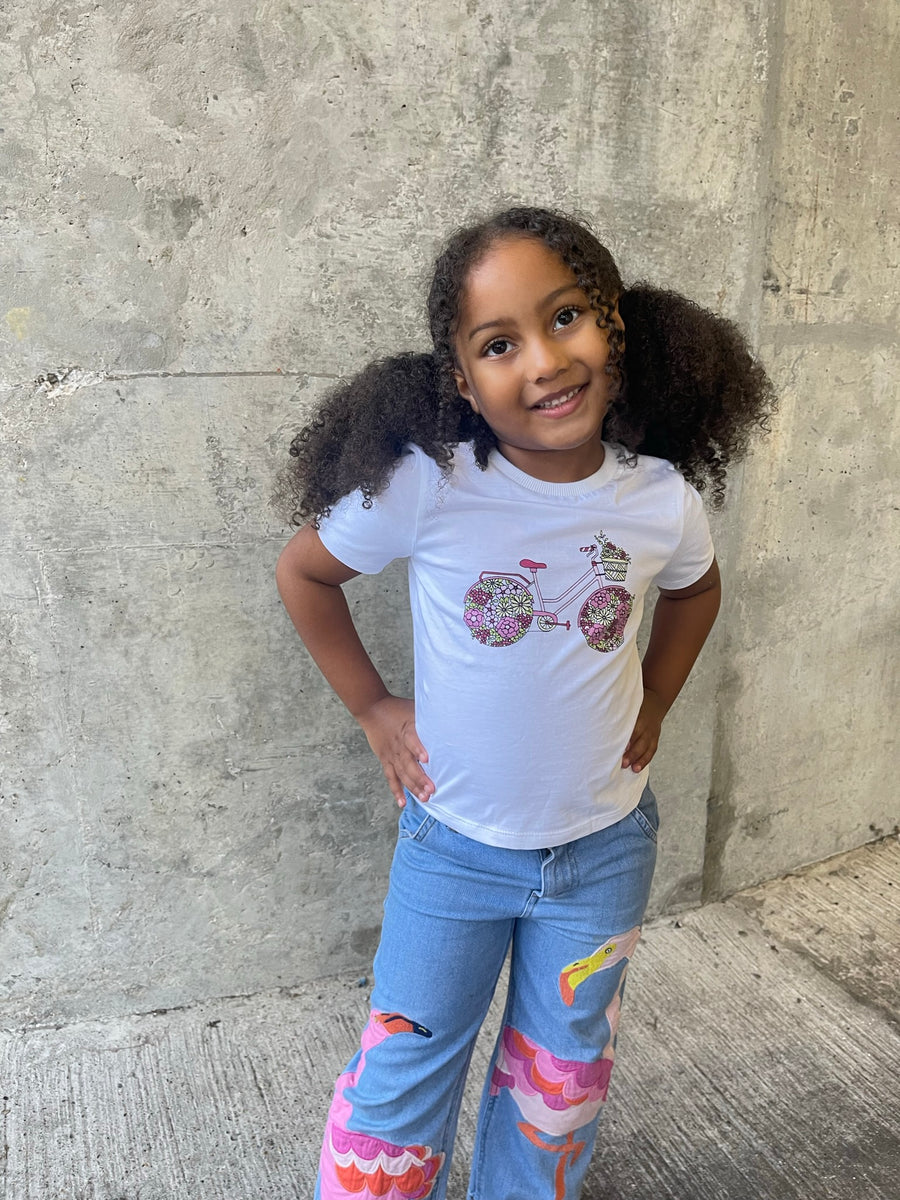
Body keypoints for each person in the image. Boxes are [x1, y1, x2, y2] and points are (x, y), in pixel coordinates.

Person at [274, 206, 775, 1200]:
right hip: (451, 851)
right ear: (461, 379)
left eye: (567, 319)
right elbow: (304, 574)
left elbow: (696, 587)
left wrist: (659, 698)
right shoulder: (431, 487)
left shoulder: (657, 498)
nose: (542, 361)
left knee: (557, 1088)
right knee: (404, 1074)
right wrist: (377, 707)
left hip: (602, 854)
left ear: (616, 332)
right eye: (499, 344)